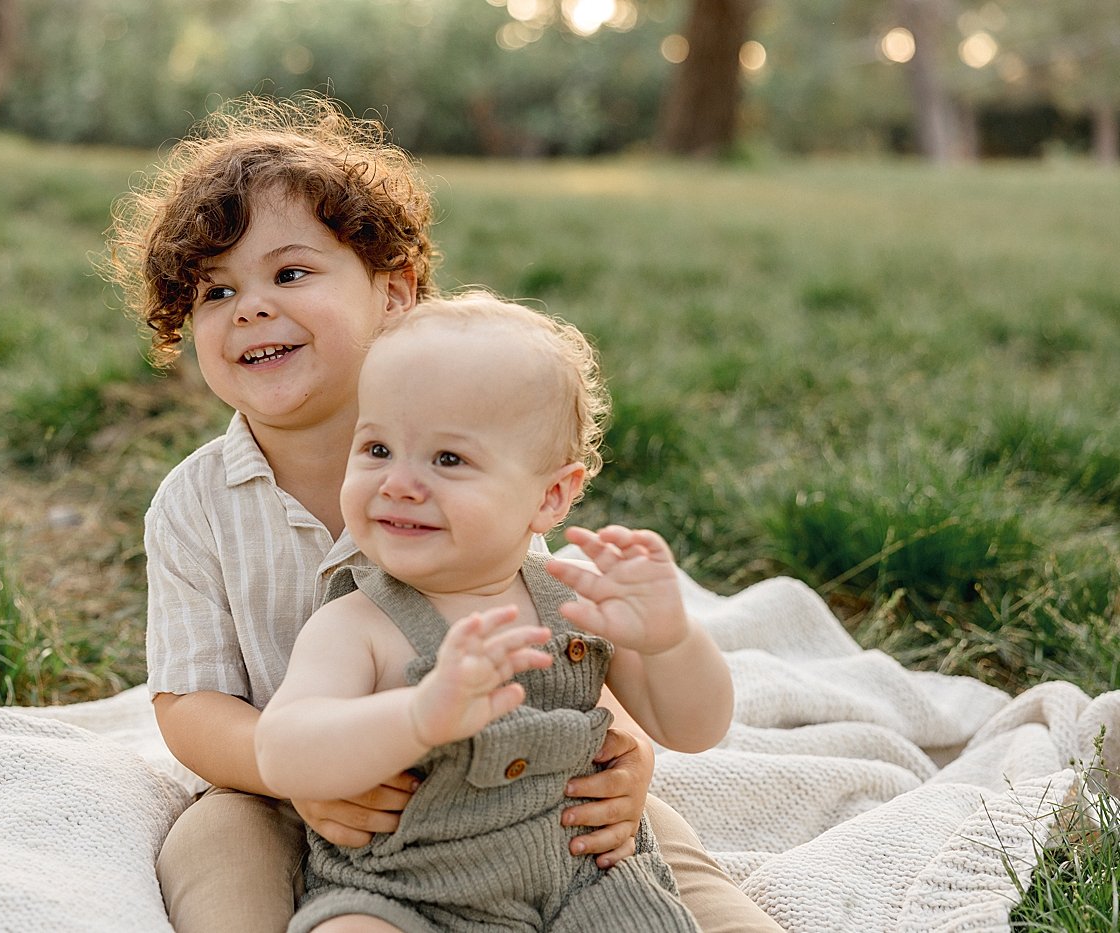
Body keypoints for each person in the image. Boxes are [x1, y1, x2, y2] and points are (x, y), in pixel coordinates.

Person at [102, 93, 780, 933]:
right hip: (294, 787)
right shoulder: (195, 505)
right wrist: (297, 775)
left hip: (523, 783)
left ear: (395, 294)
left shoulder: (478, 445)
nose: (249, 307)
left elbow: (561, 639)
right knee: (214, 841)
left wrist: (627, 745)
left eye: (289, 273)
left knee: (641, 838)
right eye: (213, 291)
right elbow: (191, 704)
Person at [254, 294, 733, 932]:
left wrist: (671, 643)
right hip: (406, 896)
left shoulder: (578, 605)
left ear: (551, 495)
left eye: (448, 459)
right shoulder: (360, 623)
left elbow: (696, 728)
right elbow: (285, 752)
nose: (398, 482)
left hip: (582, 885)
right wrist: (417, 715)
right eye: (376, 449)